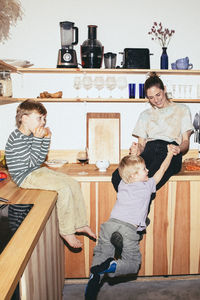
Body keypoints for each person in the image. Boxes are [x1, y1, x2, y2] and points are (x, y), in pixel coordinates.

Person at [5, 99, 96, 248]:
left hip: (36, 171)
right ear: (24, 119)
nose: (43, 122)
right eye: (39, 118)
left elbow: (39, 160)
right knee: (63, 188)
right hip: (24, 177)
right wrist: (37, 139)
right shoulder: (16, 138)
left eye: (44, 118)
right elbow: (31, 163)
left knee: (72, 183)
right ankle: (66, 231)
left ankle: (79, 224)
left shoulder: (30, 136)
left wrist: (45, 140)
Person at [85, 148, 174, 300]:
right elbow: (162, 169)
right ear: (134, 175)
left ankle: (95, 275)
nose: (147, 170)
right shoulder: (147, 185)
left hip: (109, 226)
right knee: (132, 264)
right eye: (144, 169)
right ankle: (113, 266)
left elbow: (126, 167)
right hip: (127, 229)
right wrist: (170, 154)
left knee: (101, 253)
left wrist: (134, 154)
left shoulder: (122, 184)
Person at [112, 72, 193, 192]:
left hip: (169, 152)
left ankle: (135, 210)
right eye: (151, 97)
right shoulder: (145, 115)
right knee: (117, 177)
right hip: (149, 151)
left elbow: (186, 142)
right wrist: (137, 149)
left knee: (146, 183)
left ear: (164, 89)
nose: (156, 100)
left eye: (158, 94)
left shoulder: (182, 109)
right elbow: (141, 145)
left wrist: (179, 149)